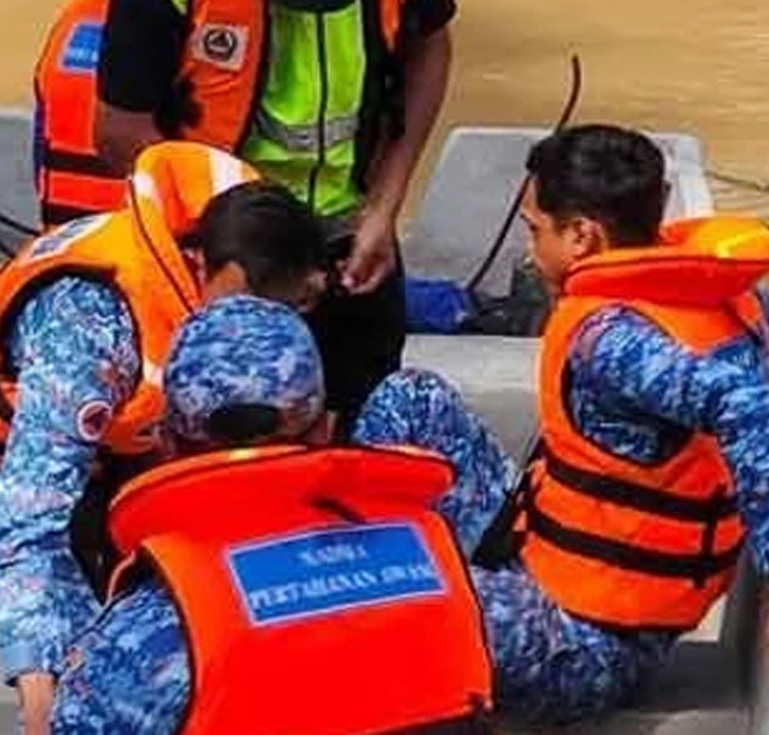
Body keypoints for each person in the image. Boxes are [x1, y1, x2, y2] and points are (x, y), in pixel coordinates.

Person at [349, 124, 769, 723]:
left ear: (583, 235)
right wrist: (704, 456)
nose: (530, 253)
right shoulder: (736, 303)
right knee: (411, 398)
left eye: (536, 232)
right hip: (542, 548)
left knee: (378, 603)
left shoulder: (607, 339)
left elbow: (747, 407)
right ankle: (360, 560)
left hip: (588, 641)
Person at [30, 0, 458, 434]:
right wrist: (237, 247)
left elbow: (429, 44)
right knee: (222, 432)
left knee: (361, 418)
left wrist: (385, 205)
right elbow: (121, 131)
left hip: (352, 229)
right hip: (223, 245)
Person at [0, 140, 330, 735]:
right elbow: (26, 531)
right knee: (72, 649)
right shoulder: (89, 333)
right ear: (221, 276)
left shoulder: (245, 248)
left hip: (121, 439)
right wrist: (43, 701)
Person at [52, 295, 493, 735]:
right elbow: (555, 662)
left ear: (166, 444)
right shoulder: (455, 582)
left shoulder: (136, 645)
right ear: (325, 428)